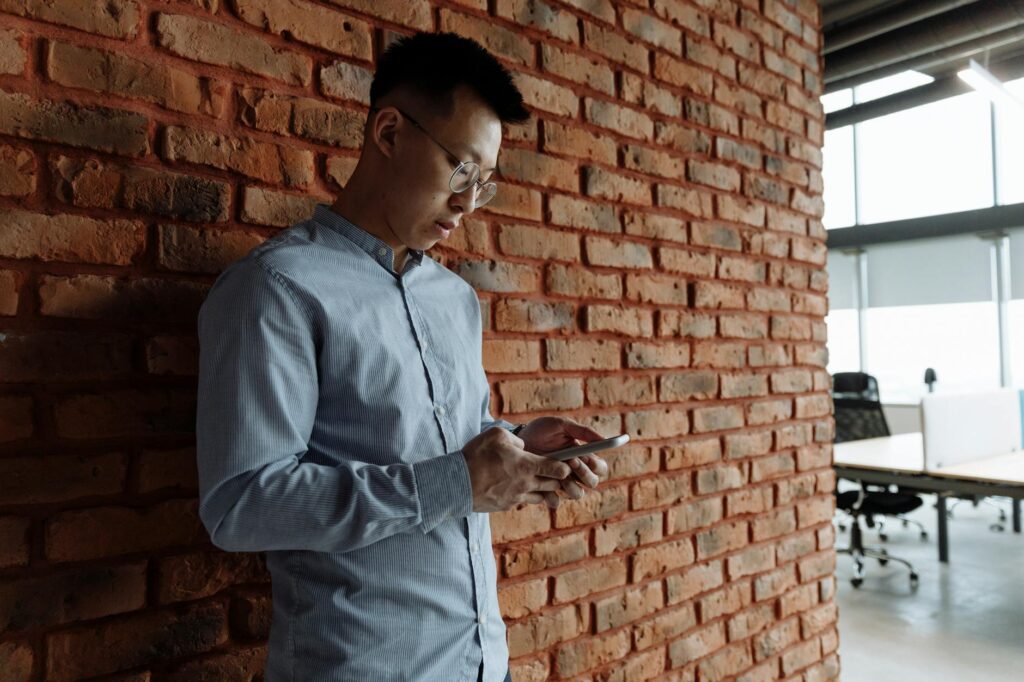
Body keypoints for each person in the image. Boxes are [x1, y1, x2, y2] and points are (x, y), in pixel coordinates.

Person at [196, 32, 610, 682]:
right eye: (461, 170)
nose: (468, 201)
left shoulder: (455, 300)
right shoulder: (278, 288)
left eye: (484, 183)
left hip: (482, 664)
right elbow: (241, 505)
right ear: (389, 132)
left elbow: (437, 443)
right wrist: (455, 484)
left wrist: (518, 445)